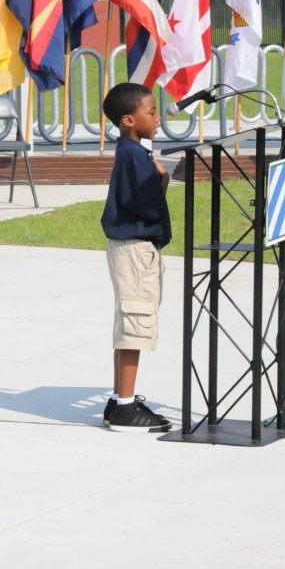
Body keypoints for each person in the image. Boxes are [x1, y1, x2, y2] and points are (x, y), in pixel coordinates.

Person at [100, 82, 173, 433]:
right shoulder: (133, 154)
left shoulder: (131, 151)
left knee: (127, 324)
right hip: (135, 251)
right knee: (135, 326)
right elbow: (146, 202)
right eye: (151, 111)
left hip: (126, 250)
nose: (157, 118)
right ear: (129, 119)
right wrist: (163, 179)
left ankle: (119, 400)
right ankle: (126, 411)